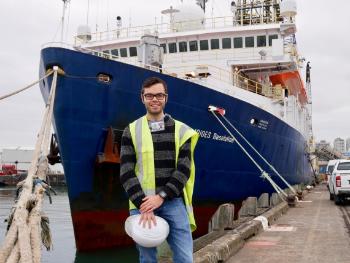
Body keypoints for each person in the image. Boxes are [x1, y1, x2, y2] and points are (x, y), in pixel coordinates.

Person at [120, 76, 199, 263]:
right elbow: (126, 171)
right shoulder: (130, 130)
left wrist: (161, 196)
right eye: (149, 96)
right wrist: (143, 204)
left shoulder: (182, 130)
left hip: (173, 202)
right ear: (142, 98)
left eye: (159, 95)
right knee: (147, 259)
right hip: (142, 205)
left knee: (185, 258)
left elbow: (183, 170)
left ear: (166, 98)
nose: (154, 99)